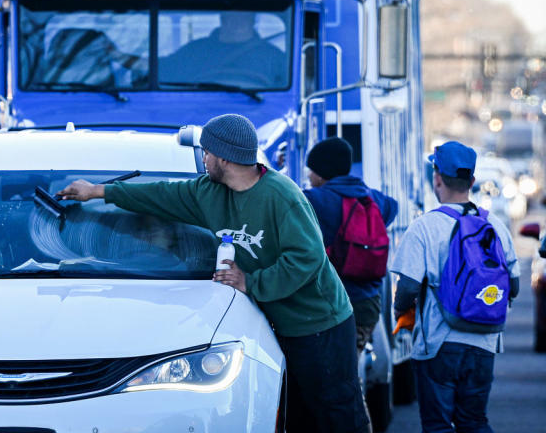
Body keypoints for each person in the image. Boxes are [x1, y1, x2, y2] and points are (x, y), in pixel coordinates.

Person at [58, 113, 369, 433]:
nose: (203, 158)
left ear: (224, 157)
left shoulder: (281, 195)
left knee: (337, 412)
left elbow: (307, 258)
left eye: (207, 152)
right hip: (285, 326)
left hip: (322, 324)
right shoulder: (208, 192)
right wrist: (98, 192)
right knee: (300, 416)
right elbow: (160, 194)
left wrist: (251, 282)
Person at [391, 141, 520, 433]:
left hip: (438, 343)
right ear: (472, 181)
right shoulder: (497, 227)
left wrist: (401, 313)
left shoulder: (423, 227)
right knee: (474, 422)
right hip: (484, 343)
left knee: (437, 425)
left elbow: (408, 287)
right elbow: (513, 287)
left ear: (436, 178)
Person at [303, 137, 398, 355]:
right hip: (368, 305)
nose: (309, 176)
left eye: (311, 170)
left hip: (331, 305)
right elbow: (394, 206)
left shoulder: (315, 200)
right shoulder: (372, 197)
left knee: (329, 376)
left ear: (321, 172)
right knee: (350, 371)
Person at [159, 11, 287, 87]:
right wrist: (142, 64)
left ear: (252, 21)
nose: (237, 23)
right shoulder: (195, 51)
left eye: (243, 18)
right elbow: (165, 68)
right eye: (232, 18)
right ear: (222, 20)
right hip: (198, 106)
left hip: (259, 108)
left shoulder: (273, 56)